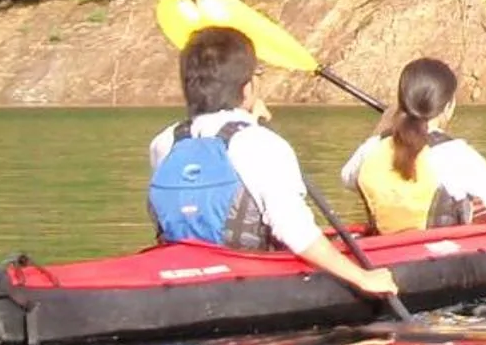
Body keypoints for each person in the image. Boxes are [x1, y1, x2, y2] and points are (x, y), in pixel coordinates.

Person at [148, 26, 397, 301]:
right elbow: (295, 232)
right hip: (250, 284)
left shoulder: (165, 142)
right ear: (249, 88)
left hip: (179, 278)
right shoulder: (262, 144)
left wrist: (248, 120)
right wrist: (363, 277)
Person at [340, 57, 486, 234]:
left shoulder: (372, 148)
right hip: (439, 255)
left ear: (400, 102)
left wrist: (383, 128)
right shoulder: (454, 154)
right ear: (449, 105)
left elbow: (349, 179)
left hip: (382, 253)